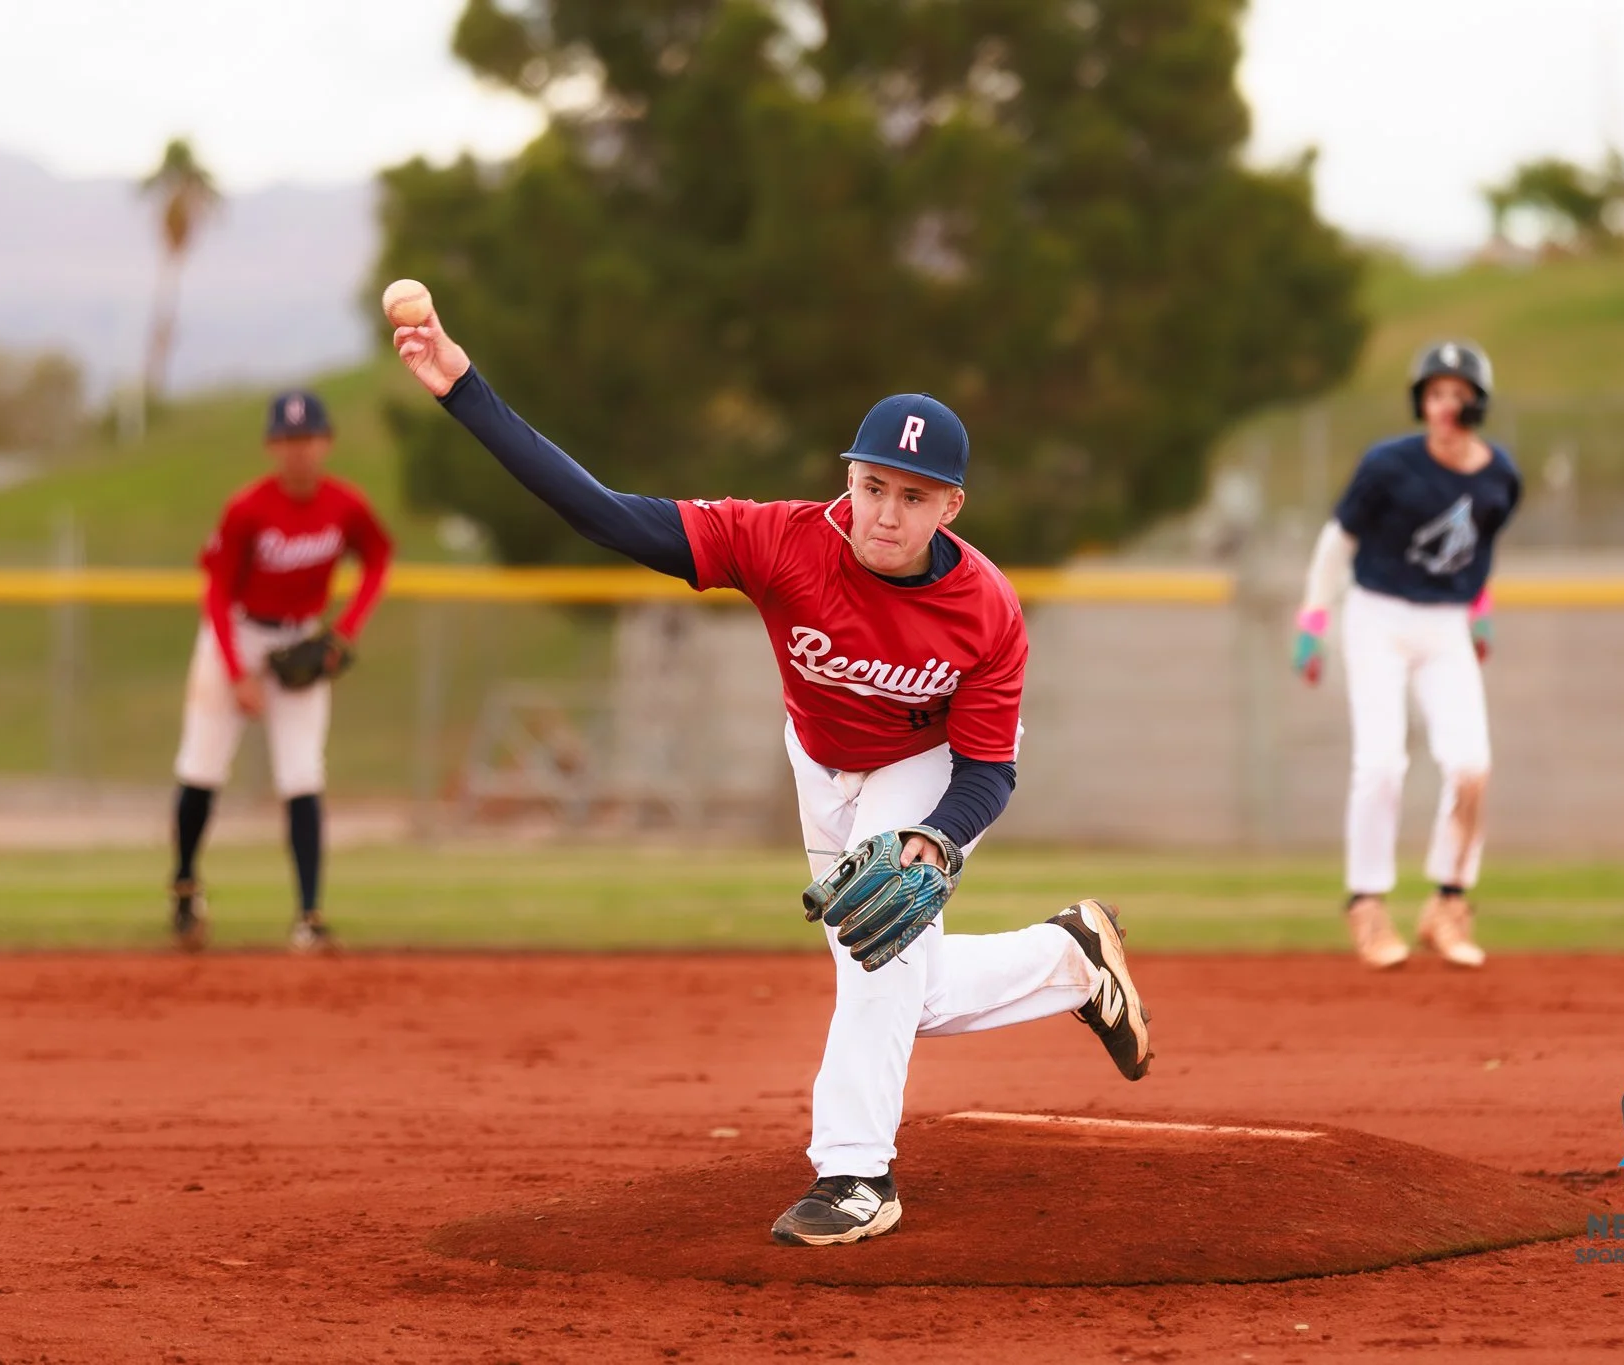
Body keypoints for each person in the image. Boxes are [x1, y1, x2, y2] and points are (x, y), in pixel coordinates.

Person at [390, 296, 1153, 1248]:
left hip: (925, 770)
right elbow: (604, 514)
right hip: (820, 760)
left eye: (914, 496)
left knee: (879, 958)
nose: (887, 511)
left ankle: (855, 1177)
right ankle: (1069, 956)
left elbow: (990, 768)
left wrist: (931, 839)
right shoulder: (781, 541)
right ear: (849, 478)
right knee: (905, 981)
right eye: (875, 485)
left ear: (950, 506)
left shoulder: (985, 609)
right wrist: (465, 389)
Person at [1292, 341, 1522, 970]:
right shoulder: (1389, 465)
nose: (1443, 405)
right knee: (1381, 763)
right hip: (1376, 616)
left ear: (1478, 404)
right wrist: (1314, 617)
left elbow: (1478, 551)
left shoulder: (1500, 475)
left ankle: (1449, 904)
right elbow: (1337, 542)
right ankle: (1366, 905)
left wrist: (1480, 610)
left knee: (1471, 764)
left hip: (1445, 623)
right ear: (1420, 401)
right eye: (1433, 393)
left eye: (1456, 394)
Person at [169, 389, 393, 954]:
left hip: (300, 638)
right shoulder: (247, 509)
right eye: (288, 439)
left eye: (308, 437)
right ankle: (185, 889)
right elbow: (216, 591)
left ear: (327, 441)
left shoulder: (345, 505)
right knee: (203, 767)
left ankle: (308, 918)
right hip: (237, 635)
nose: (299, 450)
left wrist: (346, 632)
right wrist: (236, 671)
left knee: (302, 775)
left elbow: (378, 558)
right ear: (273, 445)